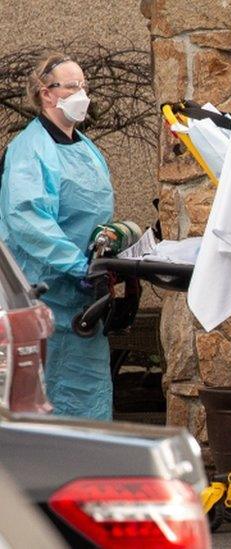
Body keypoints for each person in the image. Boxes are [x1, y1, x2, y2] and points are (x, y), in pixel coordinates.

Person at [0, 53, 114, 420]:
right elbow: (27, 217)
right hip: (45, 293)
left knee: (89, 399)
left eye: (84, 86)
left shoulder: (84, 146)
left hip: (83, 299)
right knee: (48, 401)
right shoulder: (30, 150)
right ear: (47, 94)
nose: (82, 93)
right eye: (72, 86)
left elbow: (94, 210)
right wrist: (79, 265)